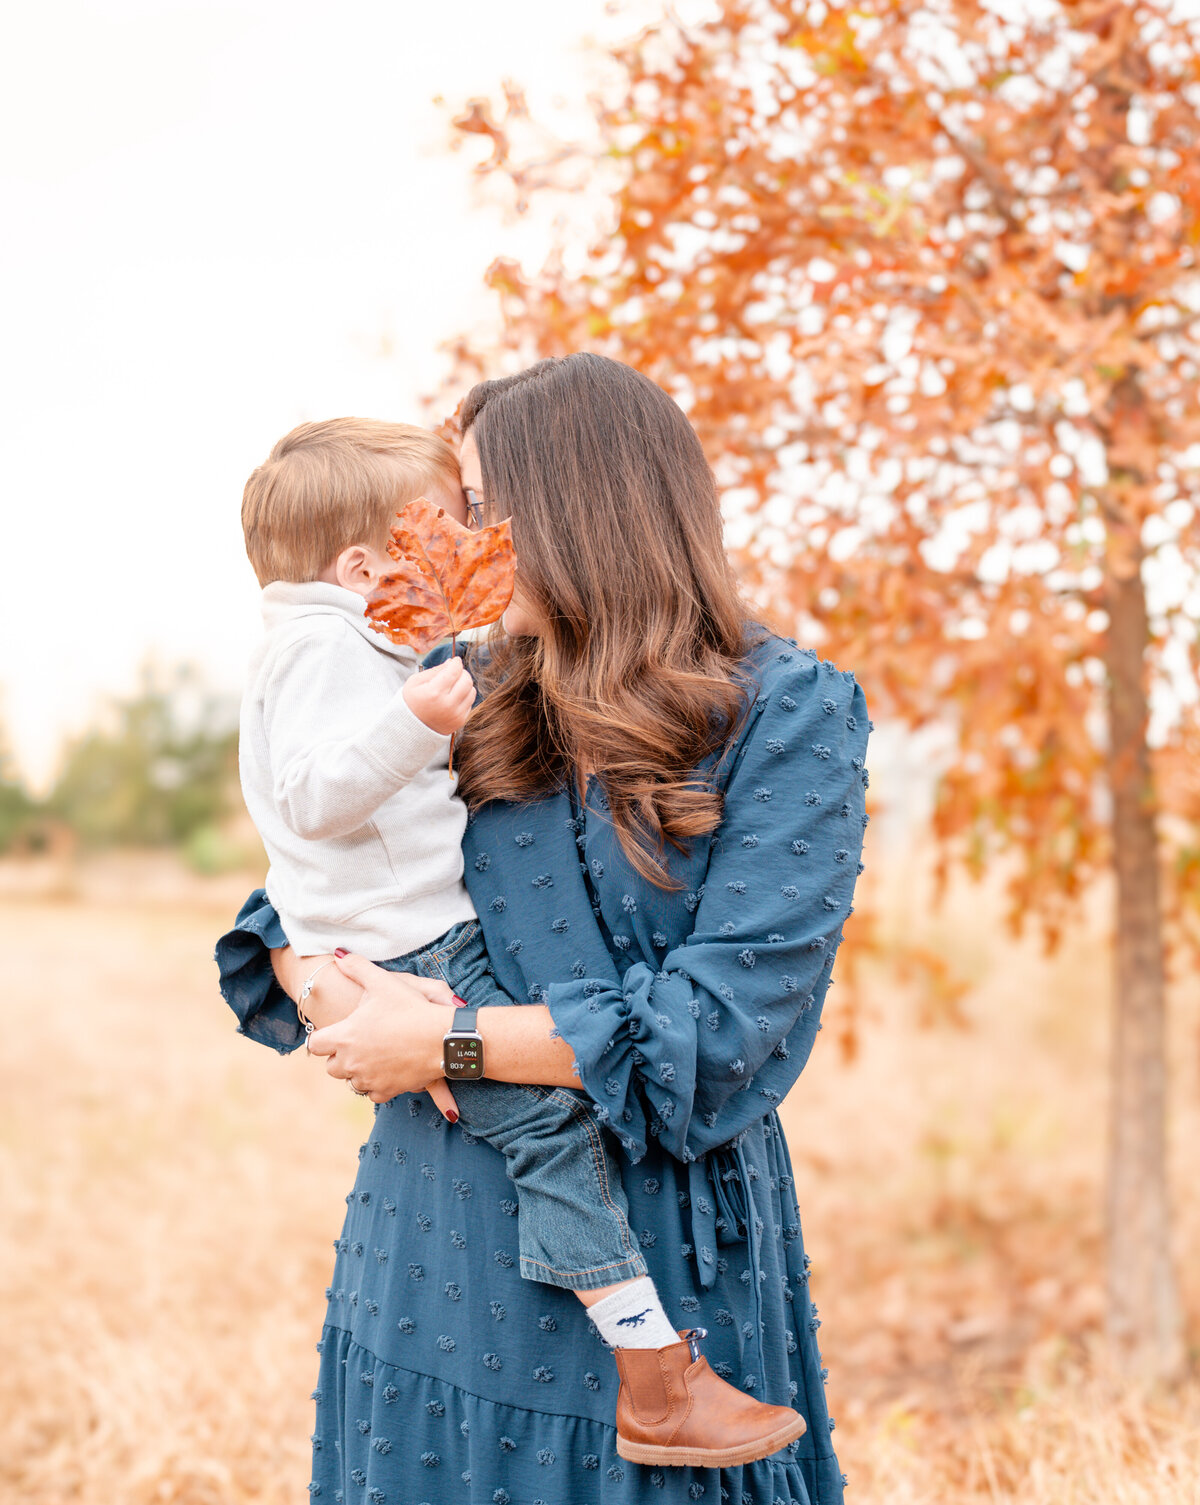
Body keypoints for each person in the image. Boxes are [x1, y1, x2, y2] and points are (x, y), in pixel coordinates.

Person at [216, 354, 870, 1504]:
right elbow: (303, 883)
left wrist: (448, 1041)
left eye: (468, 509)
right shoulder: (463, 682)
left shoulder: (787, 711)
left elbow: (719, 1032)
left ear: (562, 507)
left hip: (665, 1252)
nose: (439, 541)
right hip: (430, 1231)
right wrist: (326, 985)